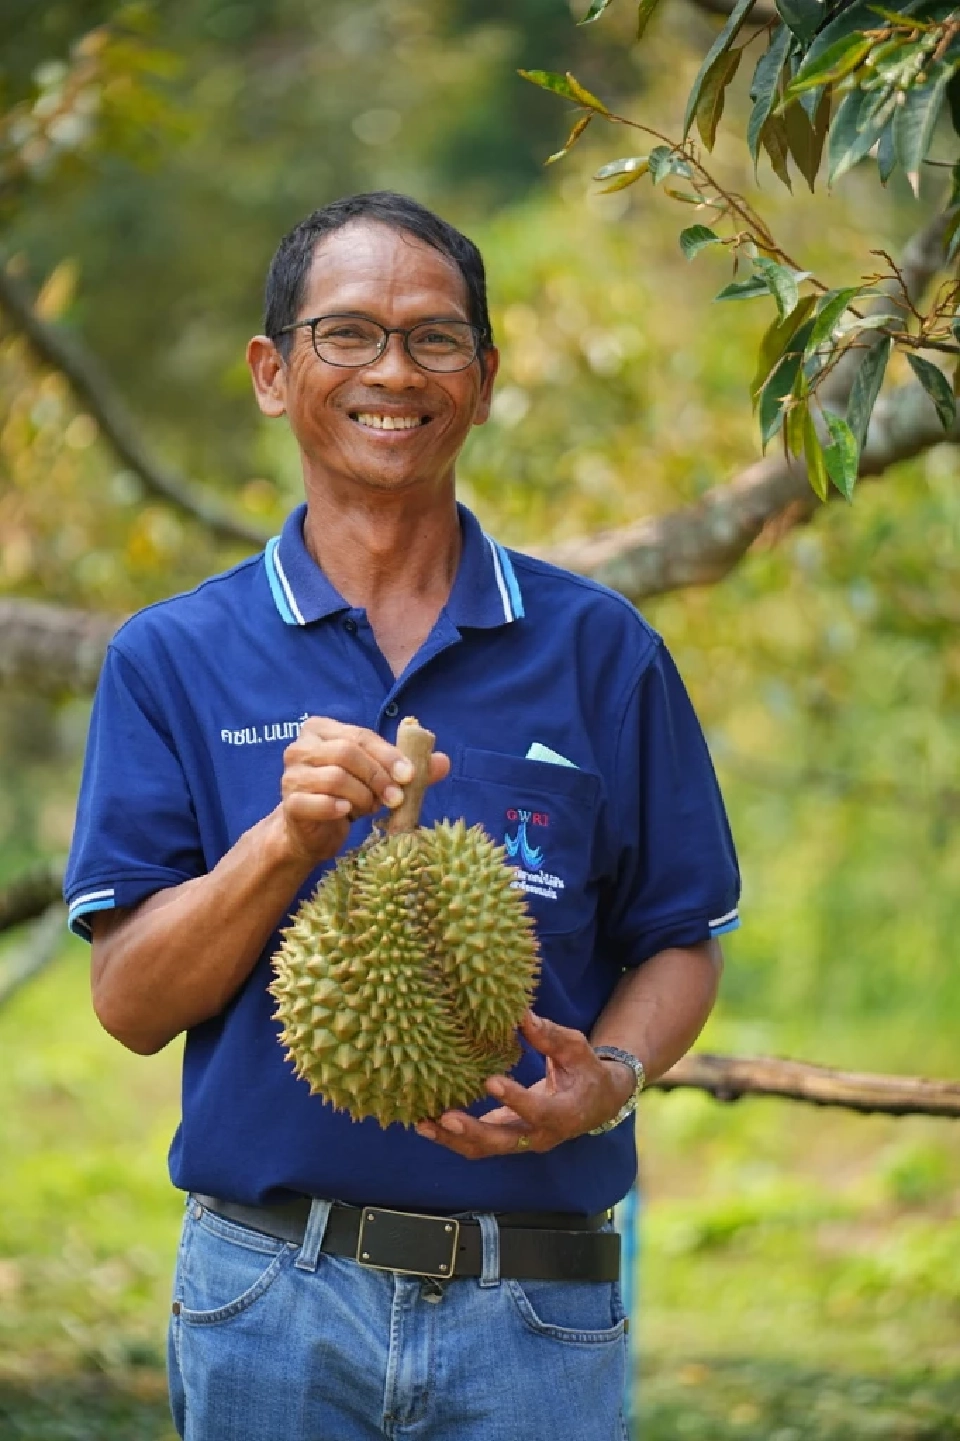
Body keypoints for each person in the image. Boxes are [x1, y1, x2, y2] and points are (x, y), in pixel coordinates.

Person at [64, 191, 740, 1441]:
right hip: (269, 1288)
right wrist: (286, 842)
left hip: (538, 1302)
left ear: (484, 382)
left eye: (436, 340)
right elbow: (130, 1005)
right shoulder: (173, 656)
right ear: (274, 372)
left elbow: (681, 935)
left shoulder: (601, 649)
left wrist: (611, 1081)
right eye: (349, 334)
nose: (395, 371)